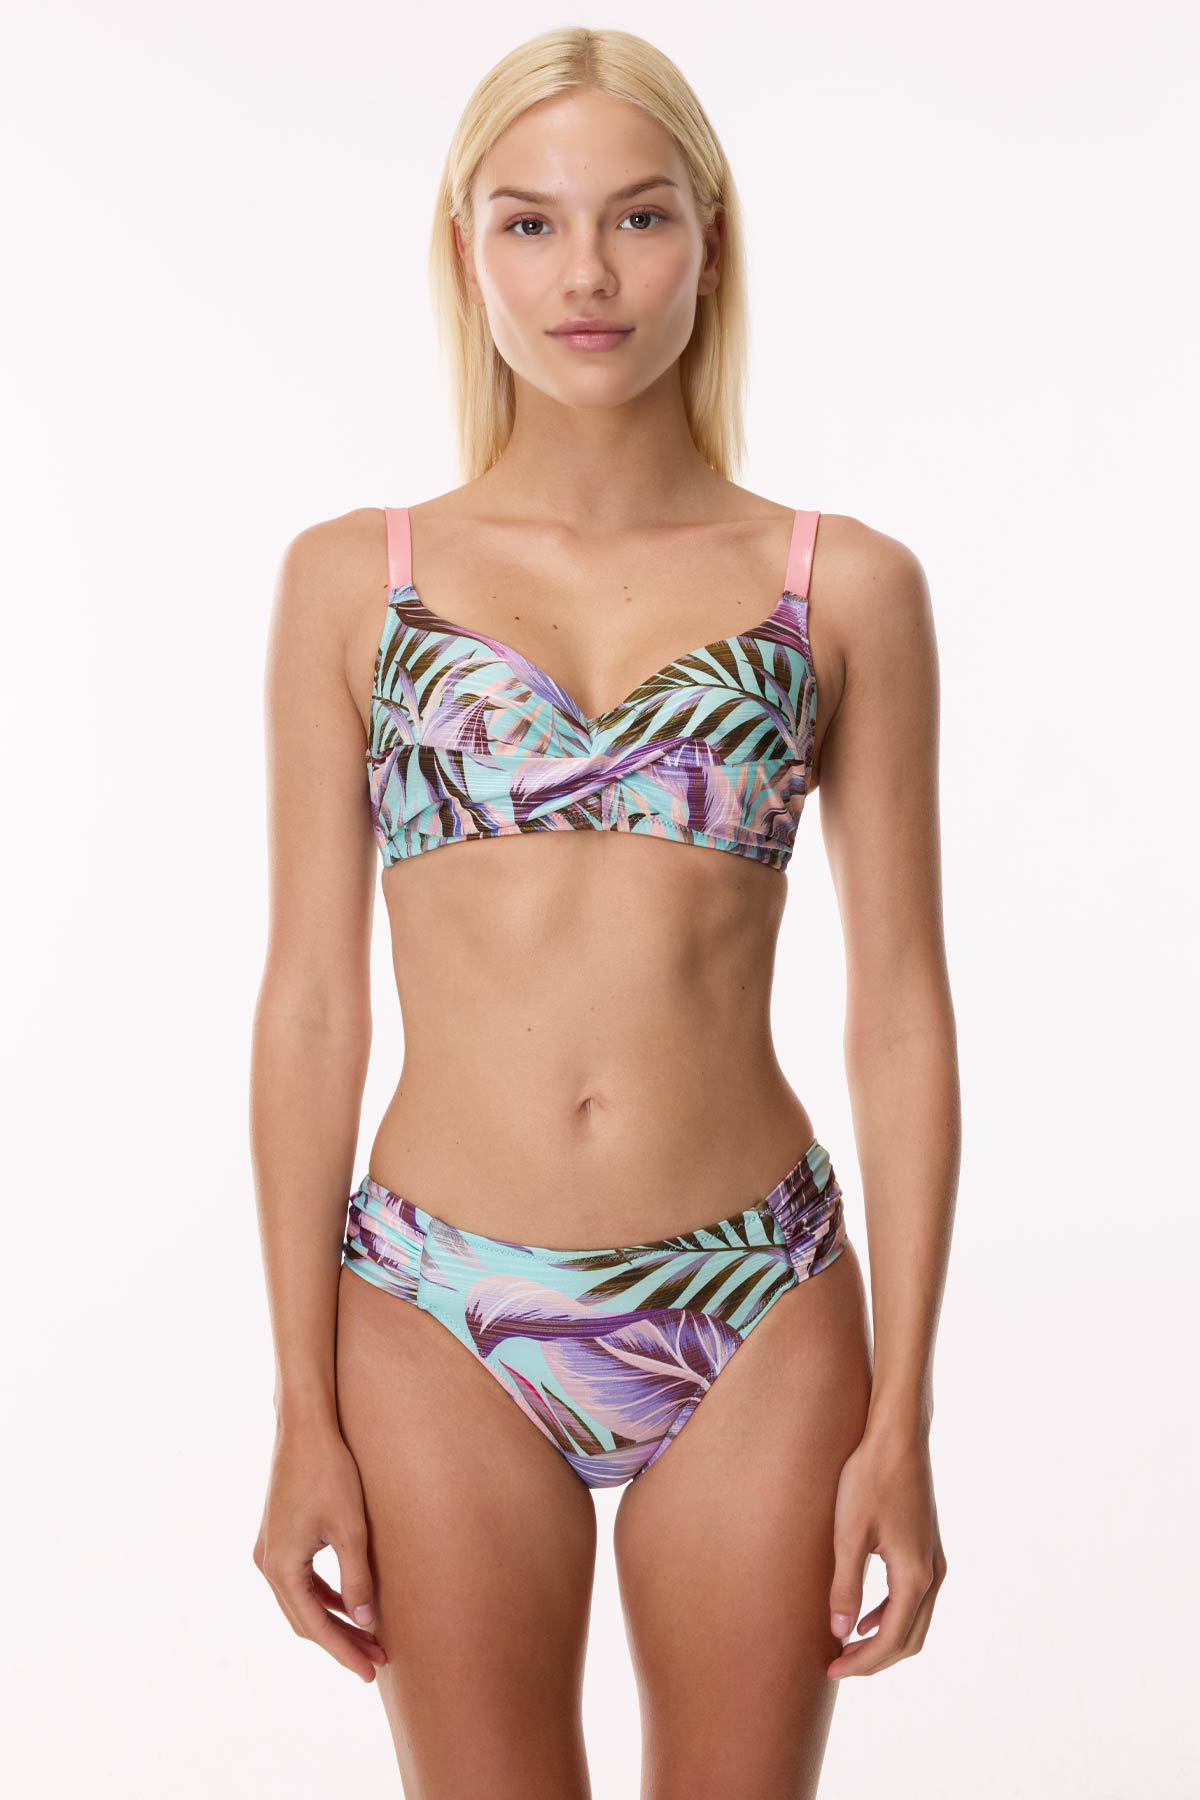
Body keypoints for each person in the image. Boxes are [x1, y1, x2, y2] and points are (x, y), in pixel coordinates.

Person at [250, 26, 958, 1799]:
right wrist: (299, 1409)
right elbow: (312, 1006)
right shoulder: (353, 583)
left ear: (710, 238)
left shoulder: (842, 589)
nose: (586, 275)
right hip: (431, 1303)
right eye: (531, 223)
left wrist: (906, 1415)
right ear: (464, 247)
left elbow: (900, 1013)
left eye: (639, 217)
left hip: (756, 1298)